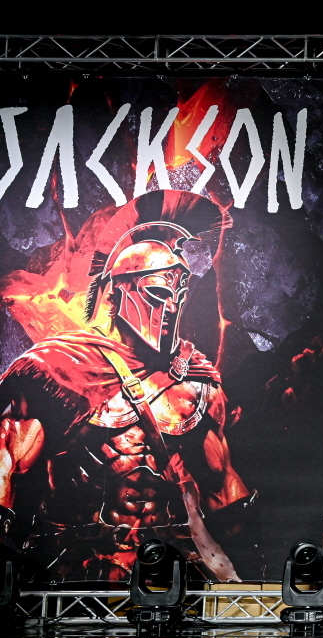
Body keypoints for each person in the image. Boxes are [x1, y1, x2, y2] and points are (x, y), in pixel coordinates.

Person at [0, 191, 250, 583]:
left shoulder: (197, 386)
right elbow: (7, 470)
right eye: (158, 293)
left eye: (179, 295)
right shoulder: (57, 368)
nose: (170, 308)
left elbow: (224, 496)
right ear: (119, 290)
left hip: (166, 575)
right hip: (75, 576)